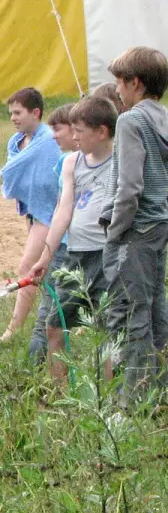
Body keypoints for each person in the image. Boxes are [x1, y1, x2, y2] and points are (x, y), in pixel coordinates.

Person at [30, 96, 117, 382]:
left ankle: (108, 395)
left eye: (79, 131)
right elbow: (63, 212)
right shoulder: (72, 162)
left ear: (101, 132)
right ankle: (60, 393)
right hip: (76, 255)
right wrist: (46, 256)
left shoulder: (120, 161)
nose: (74, 136)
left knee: (106, 328)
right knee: (55, 324)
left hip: (106, 255)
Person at [100, 47, 168, 400]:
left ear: (136, 82)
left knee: (132, 312)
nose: (117, 90)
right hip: (159, 225)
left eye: (119, 82)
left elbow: (129, 187)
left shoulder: (130, 121)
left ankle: (134, 397)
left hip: (136, 228)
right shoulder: (163, 117)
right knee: (156, 308)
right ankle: (160, 389)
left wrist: (115, 231)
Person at [0, 87, 61, 343]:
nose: (13, 118)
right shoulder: (15, 142)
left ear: (36, 113)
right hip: (32, 211)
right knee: (48, 269)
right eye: (11, 113)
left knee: (28, 267)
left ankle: (13, 330)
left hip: (50, 213)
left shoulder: (48, 140)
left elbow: (52, 179)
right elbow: (15, 174)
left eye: (18, 113)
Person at [27, 104, 78, 360]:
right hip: (61, 248)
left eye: (58, 129)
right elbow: (60, 208)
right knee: (48, 314)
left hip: (82, 250)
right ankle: (35, 367)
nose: (54, 135)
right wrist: (47, 253)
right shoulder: (64, 162)